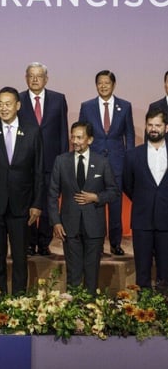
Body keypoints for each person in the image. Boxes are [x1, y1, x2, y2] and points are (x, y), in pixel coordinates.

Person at [0, 87, 44, 295]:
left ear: (18, 106)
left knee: (21, 258)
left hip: (22, 205)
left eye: (8, 104)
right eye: (0, 104)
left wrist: (37, 203)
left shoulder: (32, 132)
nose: (3, 108)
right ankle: (0, 301)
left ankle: (20, 300)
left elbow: (39, 171)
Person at [48, 121, 119, 294]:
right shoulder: (61, 161)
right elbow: (52, 194)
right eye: (73, 137)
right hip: (69, 227)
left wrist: (96, 197)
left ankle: (90, 314)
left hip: (94, 227)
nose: (75, 141)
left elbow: (113, 192)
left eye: (80, 137)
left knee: (91, 274)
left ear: (90, 139)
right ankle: (73, 315)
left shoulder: (101, 162)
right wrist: (56, 222)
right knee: (73, 274)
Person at [79, 70, 135, 256]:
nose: (103, 86)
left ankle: (115, 243)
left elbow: (129, 134)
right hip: (94, 163)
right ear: (96, 85)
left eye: (107, 83)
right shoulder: (87, 107)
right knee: (95, 205)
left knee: (116, 205)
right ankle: (95, 244)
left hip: (117, 163)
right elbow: (82, 133)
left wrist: (129, 160)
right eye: (100, 83)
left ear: (113, 85)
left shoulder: (125, 106)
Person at [19, 62, 69, 256]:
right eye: (31, 75)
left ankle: (44, 241)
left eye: (39, 76)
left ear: (46, 79)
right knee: (29, 202)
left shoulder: (58, 99)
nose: (35, 79)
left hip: (51, 160)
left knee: (49, 203)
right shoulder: (19, 99)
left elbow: (63, 131)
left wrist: (64, 159)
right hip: (27, 162)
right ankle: (30, 242)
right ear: (26, 78)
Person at [123, 108, 168, 290]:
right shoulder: (133, 155)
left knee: (165, 273)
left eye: (157, 125)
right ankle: (143, 313)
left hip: (166, 221)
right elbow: (127, 185)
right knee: (142, 272)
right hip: (142, 221)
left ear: (166, 127)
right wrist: (144, 200)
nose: (153, 129)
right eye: (150, 125)